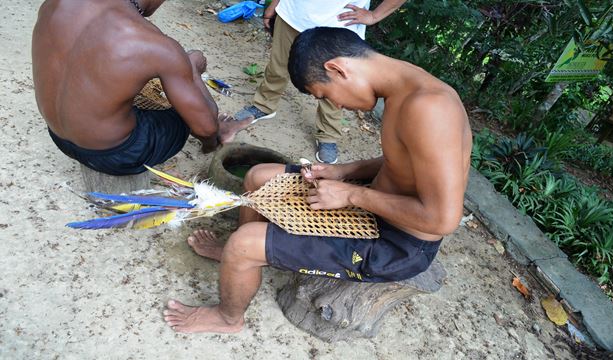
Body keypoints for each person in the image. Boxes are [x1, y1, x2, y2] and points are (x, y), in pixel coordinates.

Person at [163, 27, 472, 334]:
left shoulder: (429, 108)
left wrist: (351, 195)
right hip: (375, 203)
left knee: (244, 244)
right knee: (258, 176)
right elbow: (406, 159)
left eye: (325, 95)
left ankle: (228, 316)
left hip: (396, 244)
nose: (335, 106)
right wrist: (344, 172)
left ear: (336, 69)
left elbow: (442, 219)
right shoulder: (407, 86)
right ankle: (242, 260)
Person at [32, 0, 251, 176]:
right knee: (194, 117)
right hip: (114, 155)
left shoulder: (53, 5)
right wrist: (192, 67)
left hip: (57, 136)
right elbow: (204, 129)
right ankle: (217, 142)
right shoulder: (154, 44)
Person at [233, 0, 406, 164]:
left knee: (334, 84)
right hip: (293, 14)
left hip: (339, 26)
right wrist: (276, 4)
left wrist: (375, 16)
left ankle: (328, 134)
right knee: (278, 65)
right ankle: (264, 105)